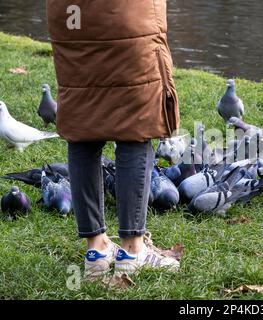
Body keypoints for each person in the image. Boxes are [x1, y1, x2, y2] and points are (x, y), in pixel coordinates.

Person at [46, 0, 181, 277]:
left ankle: (95, 249)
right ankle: (132, 249)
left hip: (72, 18)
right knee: (135, 129)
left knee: (83, 130)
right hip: (126, 16)